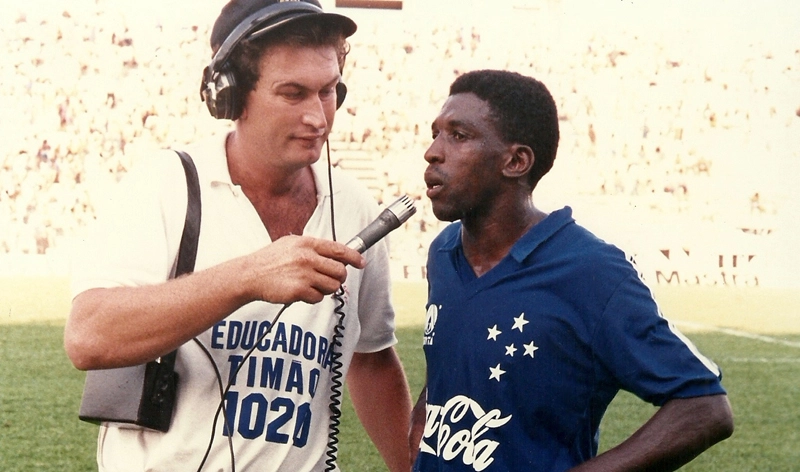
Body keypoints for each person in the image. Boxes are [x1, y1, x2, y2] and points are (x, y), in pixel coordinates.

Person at [64, 1, 412, 471]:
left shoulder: (354, 206)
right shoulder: (167, 183)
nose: (318, 117)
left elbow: (371, 359)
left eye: (329, 91)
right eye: (293, 93)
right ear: (228, 97)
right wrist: (248, 276)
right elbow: (88, 336)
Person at [409, 69, 733, 471]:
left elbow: (705, 406)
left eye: (458, 136)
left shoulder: (591, 271)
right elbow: (456, 358)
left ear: (515, 161)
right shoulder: (443, 252)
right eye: (435, 133)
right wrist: (426, 408)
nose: (432, 151)